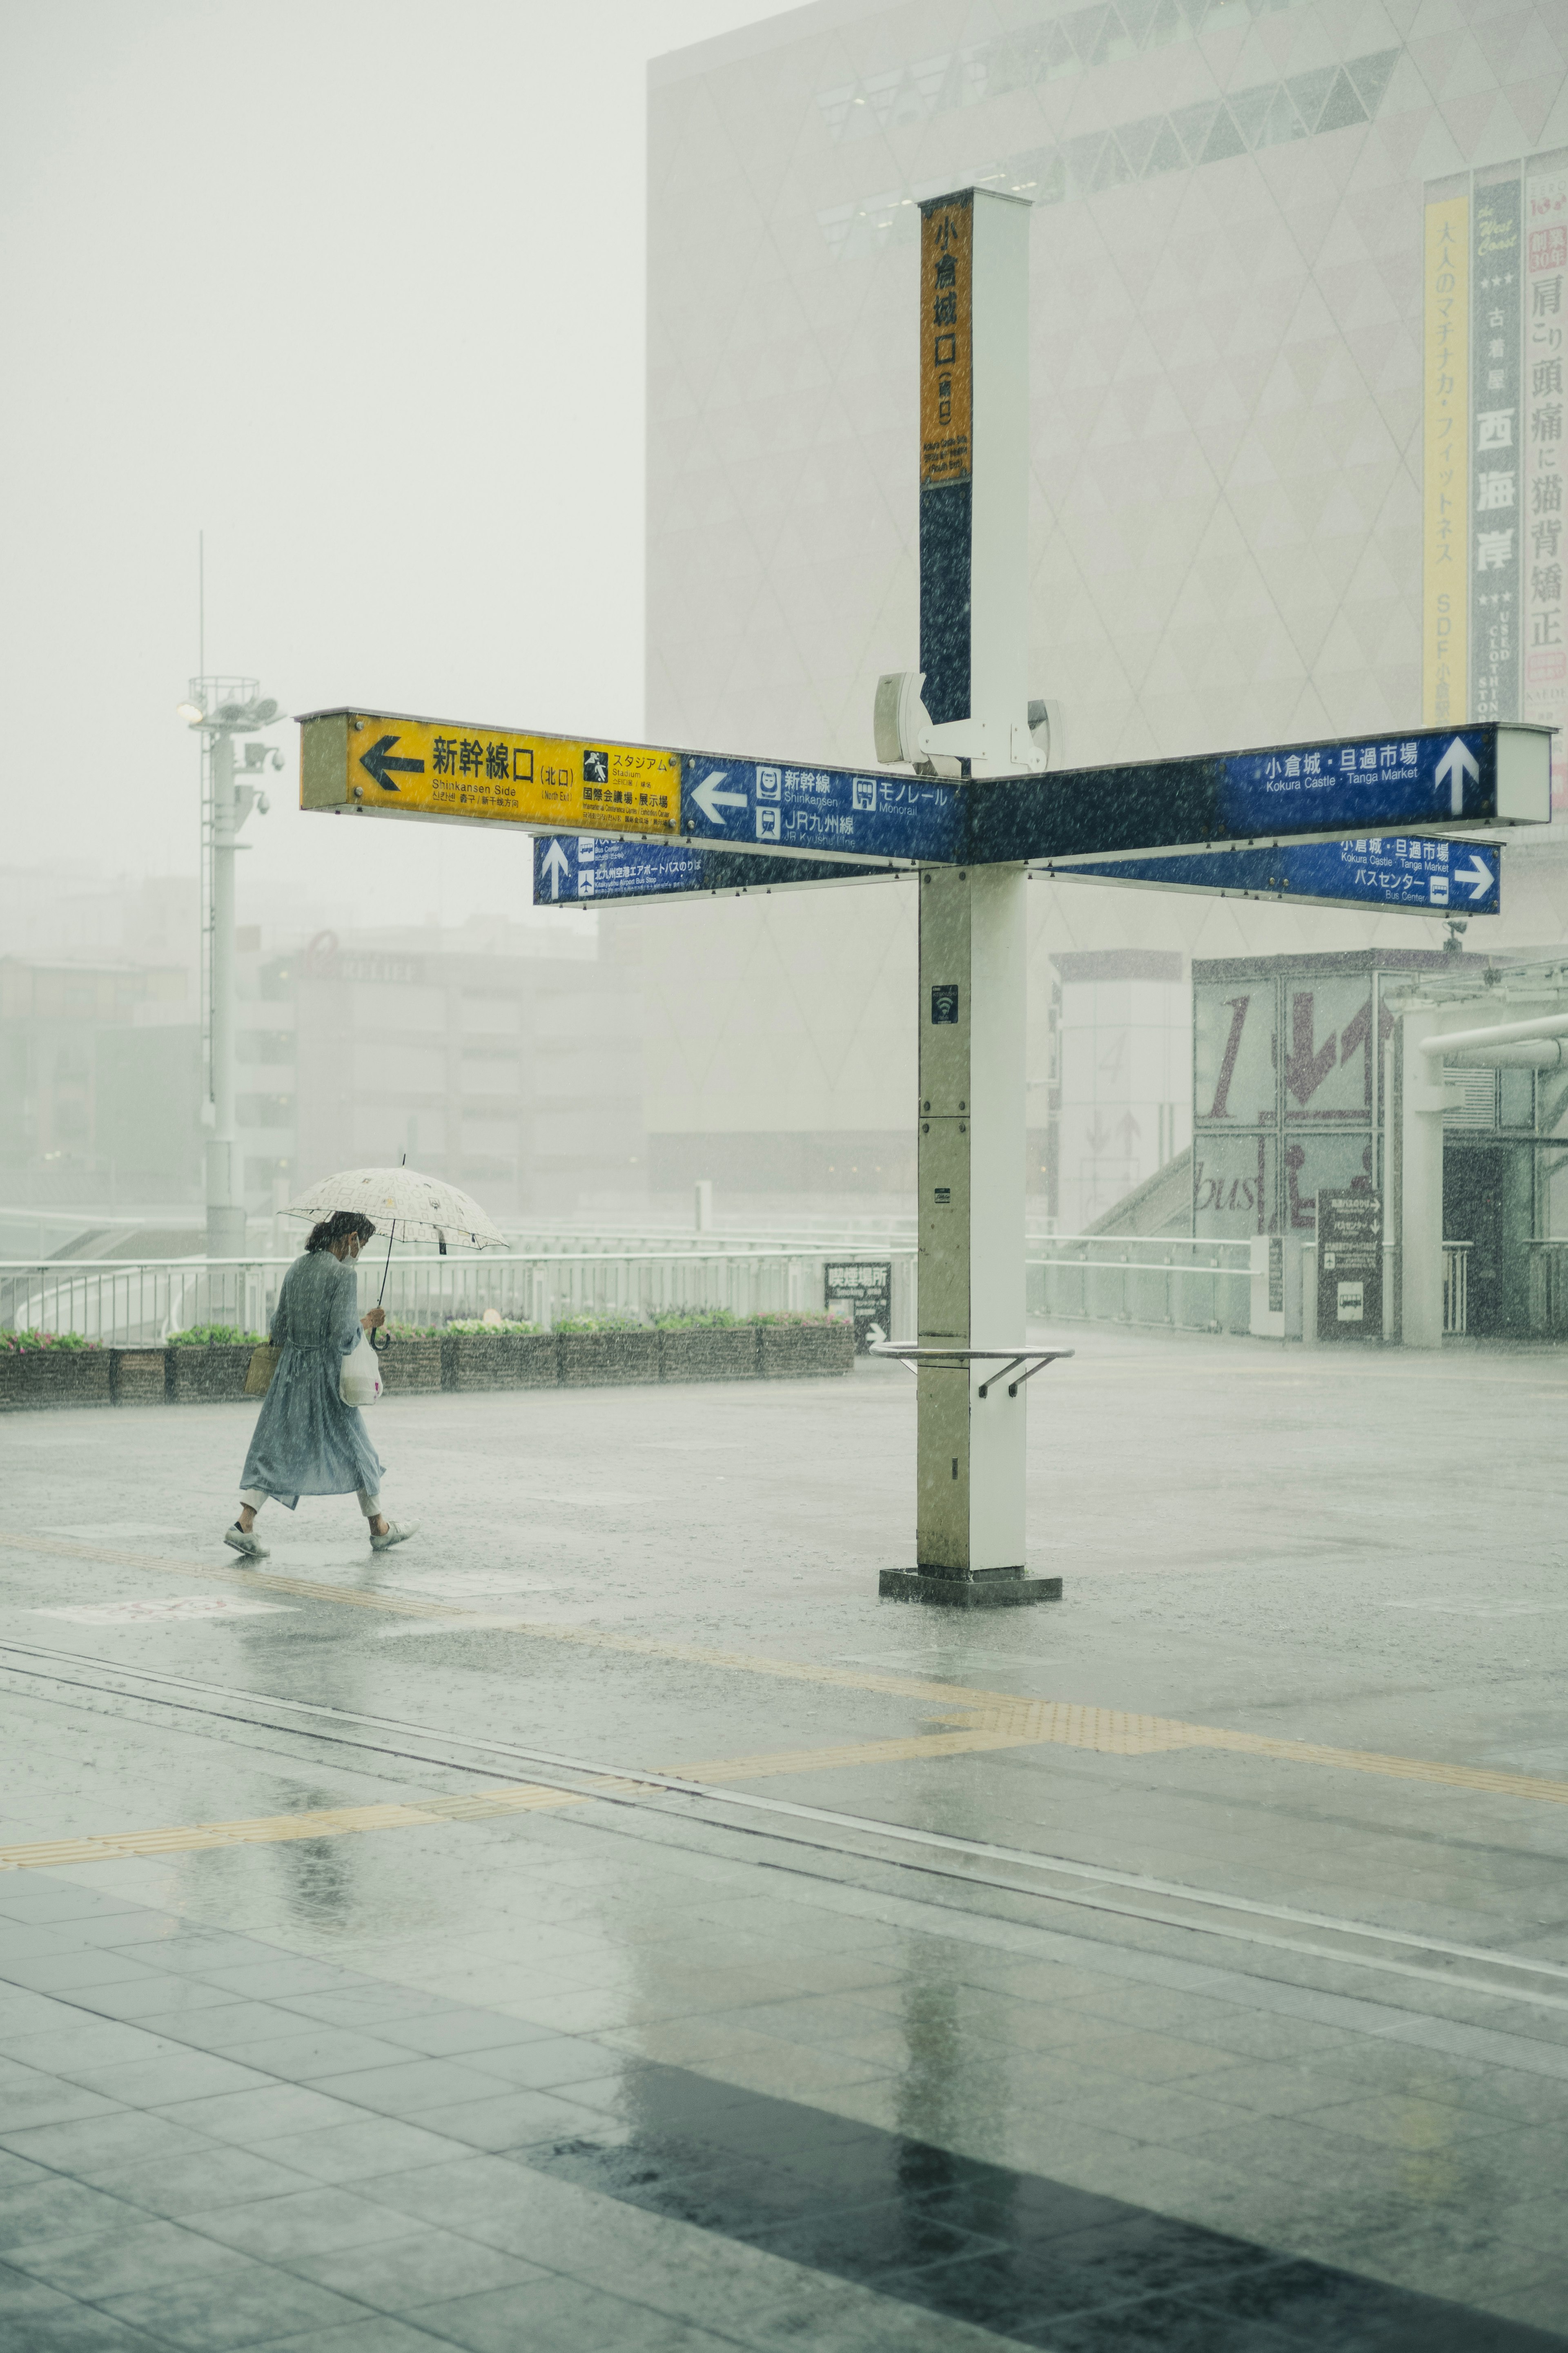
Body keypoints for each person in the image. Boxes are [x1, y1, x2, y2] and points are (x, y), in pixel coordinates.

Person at [225, 1209, 416, 1560]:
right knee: (358, 1448)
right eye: (363, 1243)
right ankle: (379, 1529)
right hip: (325, 1379)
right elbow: (343, 1337)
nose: (361, 1252)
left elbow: (279, 1327)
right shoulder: (343, 1276)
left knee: (276, 1447)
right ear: (349, 1238)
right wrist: (367, 1322)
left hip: (290, 1373)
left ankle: (244, 1523)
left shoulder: (298, 1266)